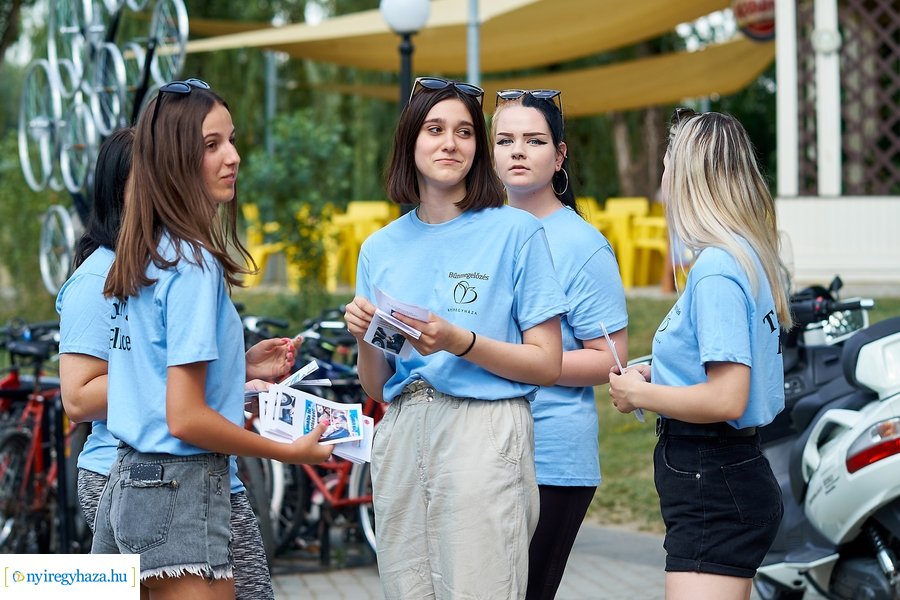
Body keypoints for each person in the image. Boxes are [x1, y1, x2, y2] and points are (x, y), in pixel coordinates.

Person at [90, 79, 332, 599]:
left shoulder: (149, 252)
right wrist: (284, 452)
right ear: (176, 160)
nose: (234, 157)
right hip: (180, 488)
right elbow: (185, 418)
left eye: (231, 139)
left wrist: (236, 367)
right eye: (211, 145)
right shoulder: (193, 265)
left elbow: (156, 385)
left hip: (131, 481)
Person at [343, 76, 569, 599]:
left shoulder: (517, 232)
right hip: (402, 430)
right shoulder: (381, 247)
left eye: (465, 132)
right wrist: (363, 337)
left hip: (483, 431)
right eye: (435, 129)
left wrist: (458, 341)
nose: (450, 142)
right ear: (410, 142)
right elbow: (378, 387)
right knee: (409, 589)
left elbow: (547, 363)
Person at [56, 127, 300, 600]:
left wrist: (237, 366)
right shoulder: (102, 277)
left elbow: (173, 371)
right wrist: (177, 378)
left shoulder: (167, 264)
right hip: (138, 471)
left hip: (186, 469)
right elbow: (78, 397)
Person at [608, 108, 792, 600]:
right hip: (725, 474)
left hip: (712, 479)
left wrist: (639, 392)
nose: (662, 174)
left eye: (668, 162)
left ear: (687, 175)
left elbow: (727, 398)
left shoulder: (715, 269)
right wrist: (660, 370)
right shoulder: (747, 255)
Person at [491, 89, 629, 599]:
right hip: (482, 446)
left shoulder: (581, 244)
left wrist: (512, 362)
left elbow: (608, 359)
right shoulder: (481, 231)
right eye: (505, 140)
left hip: (550, 457)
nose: (518, 152)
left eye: (534, 140)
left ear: (560, 154)